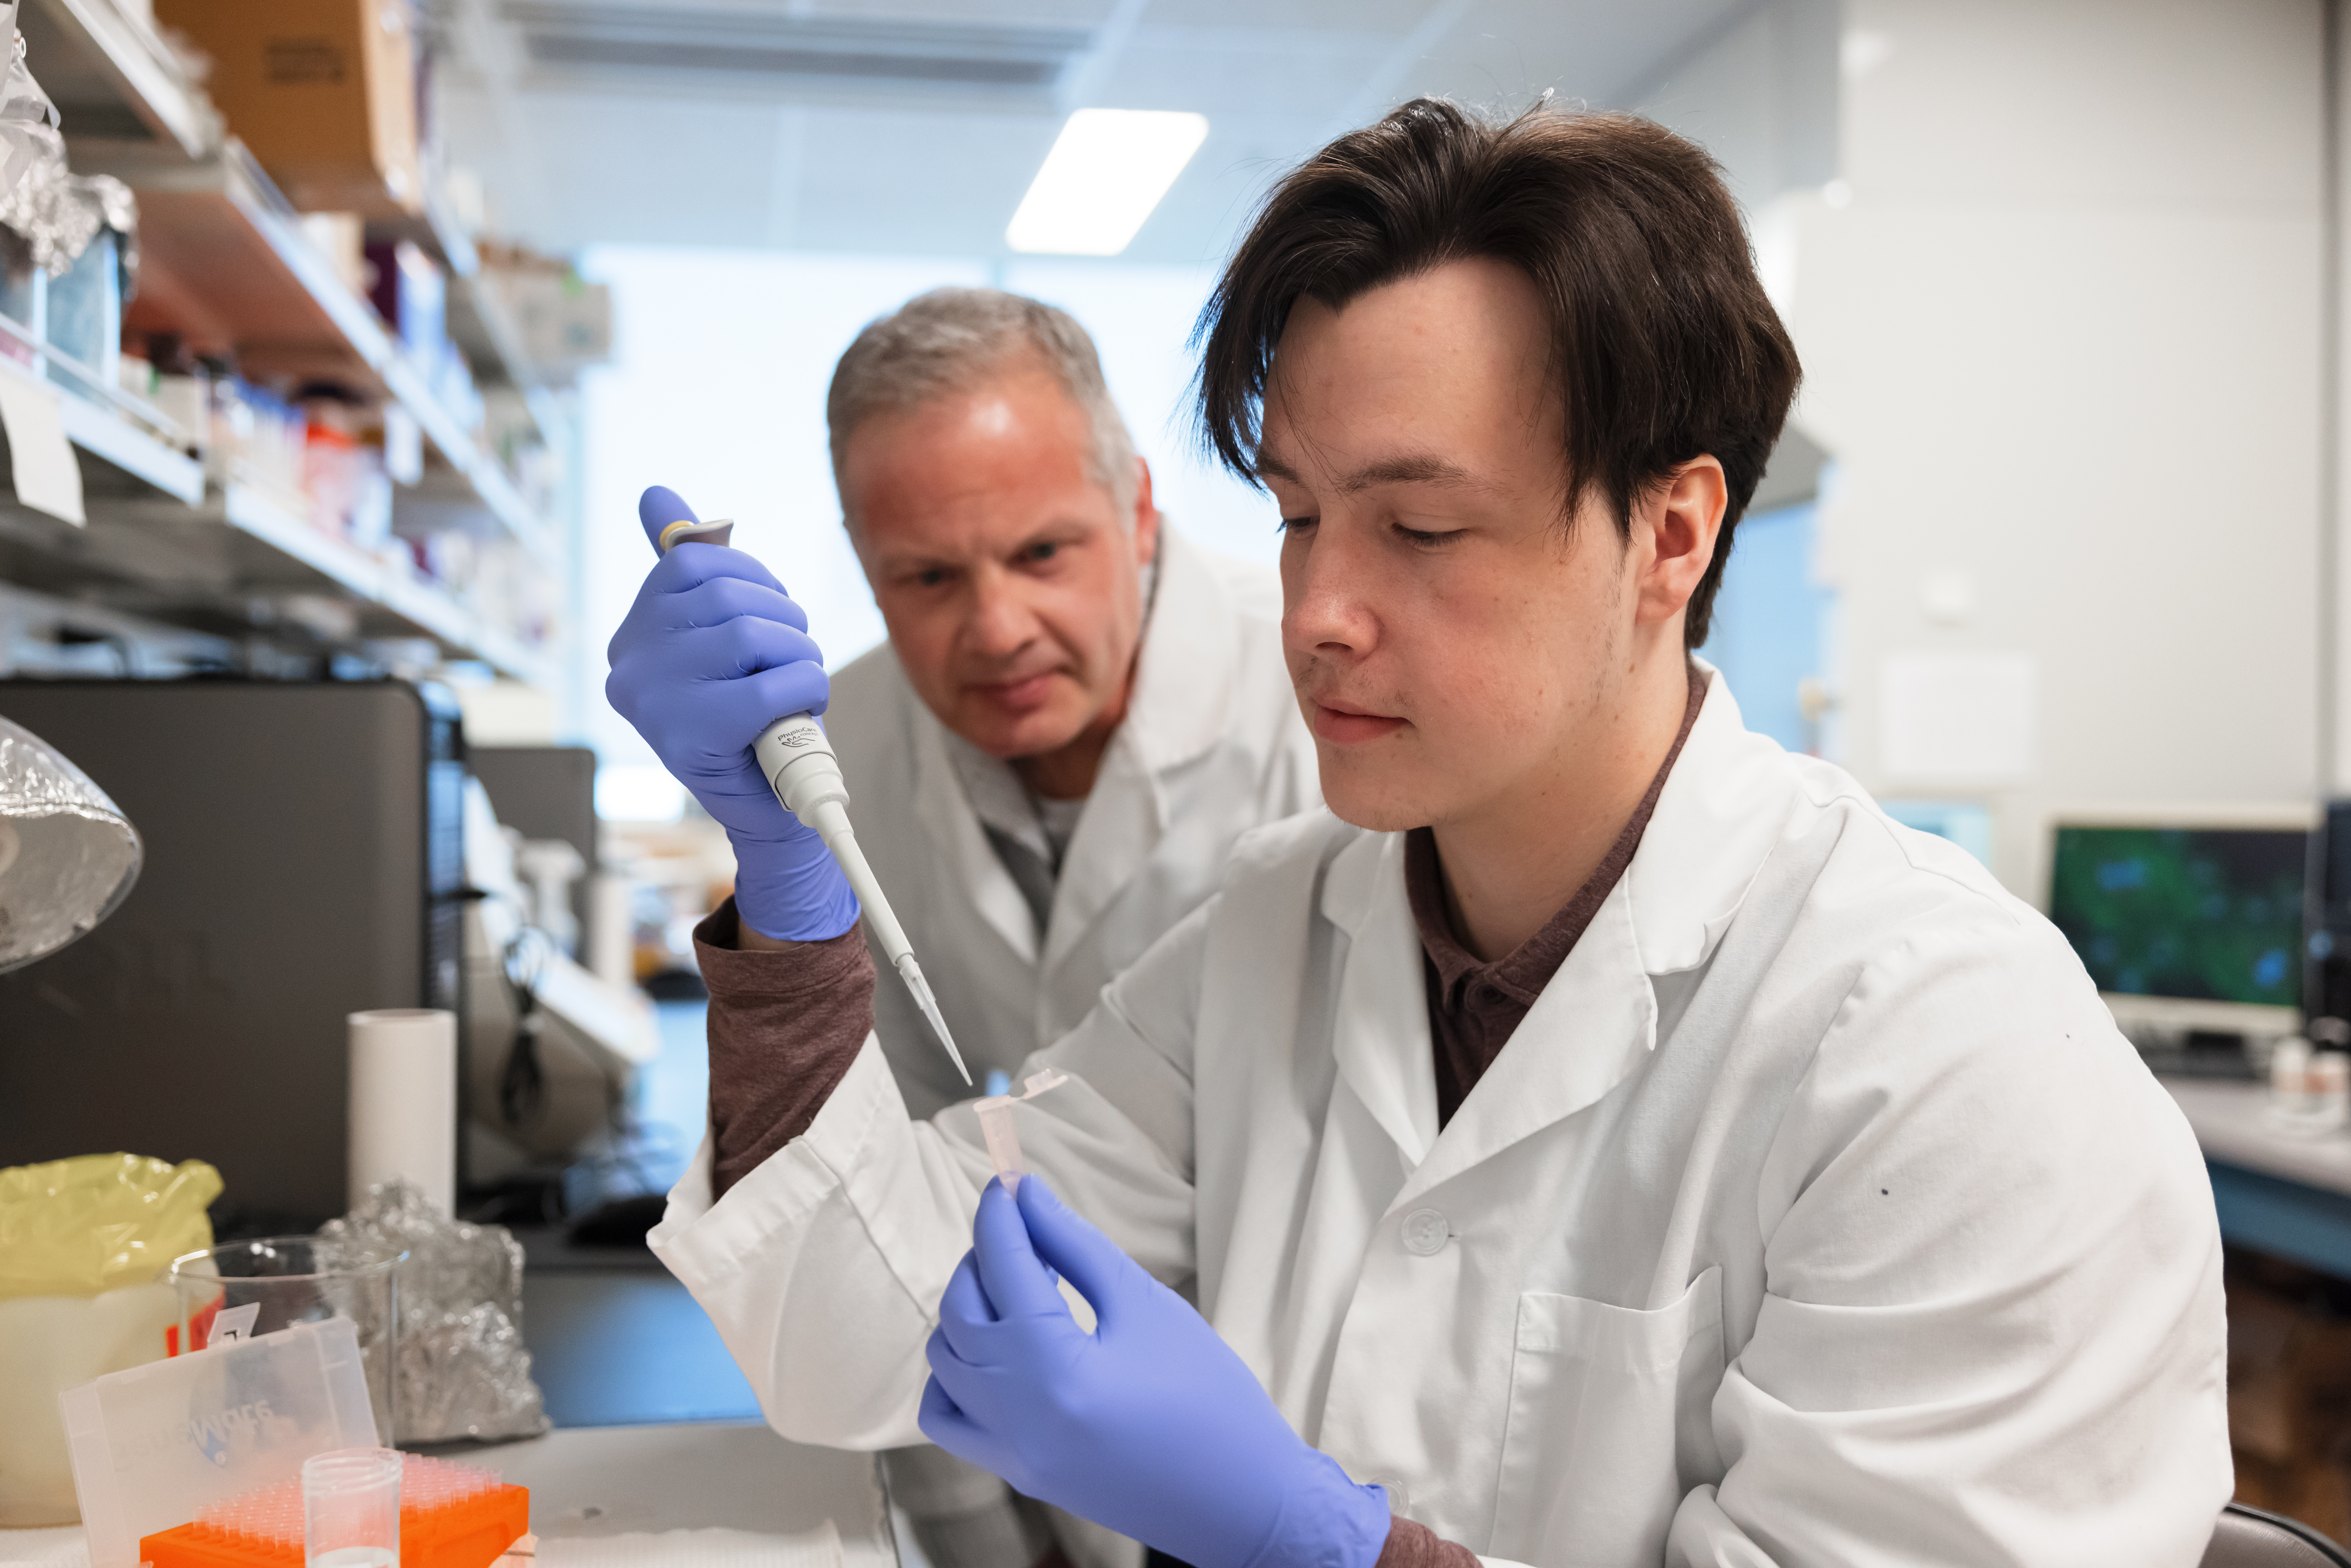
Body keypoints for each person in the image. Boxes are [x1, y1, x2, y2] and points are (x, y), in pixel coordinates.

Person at [624, 100, 2232, 1568]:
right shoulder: (1266, 943)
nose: (1318, 613)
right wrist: (785, 879)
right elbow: (856, 1320)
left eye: (1421, 527)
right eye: (1302, 513)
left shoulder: (1953, 1055)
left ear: (1670, 533)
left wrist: (1317, 1541)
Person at [607, 289, 1316, 1568]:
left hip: (1303, 1405)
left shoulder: (1317, 703)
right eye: (926, 576)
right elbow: (886, 1203)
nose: (994, 631)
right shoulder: (843, 749)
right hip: (1009, 1385)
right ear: (862, 562)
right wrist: (974, 1539)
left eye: (1043, 553)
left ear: (1140, 511)